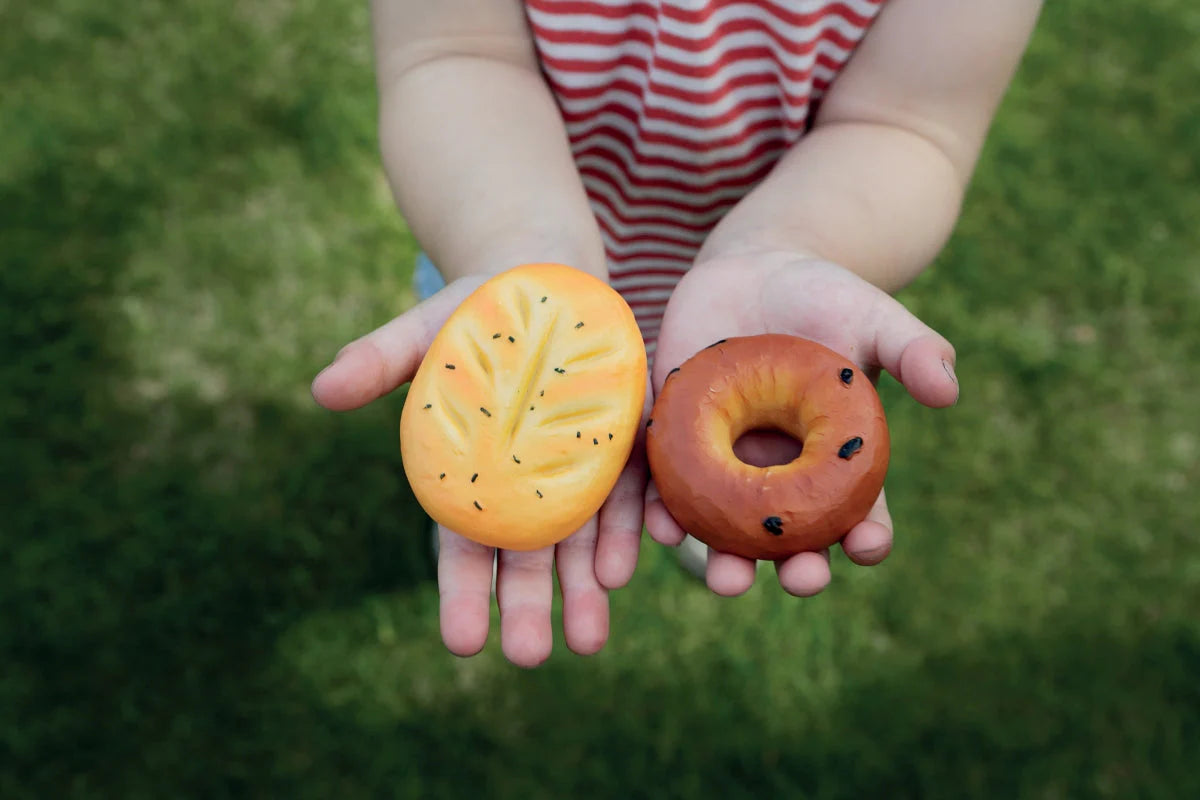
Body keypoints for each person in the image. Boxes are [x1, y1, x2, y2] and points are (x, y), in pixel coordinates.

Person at [311, 0, 1043, 667]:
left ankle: (697, 511)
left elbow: (908, 124)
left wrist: (785, 244)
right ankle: (501, 506)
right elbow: (454, 53)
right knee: (492, 419)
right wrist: (517, 243)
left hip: (764, 301)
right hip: (509, 268)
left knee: (699, 482)